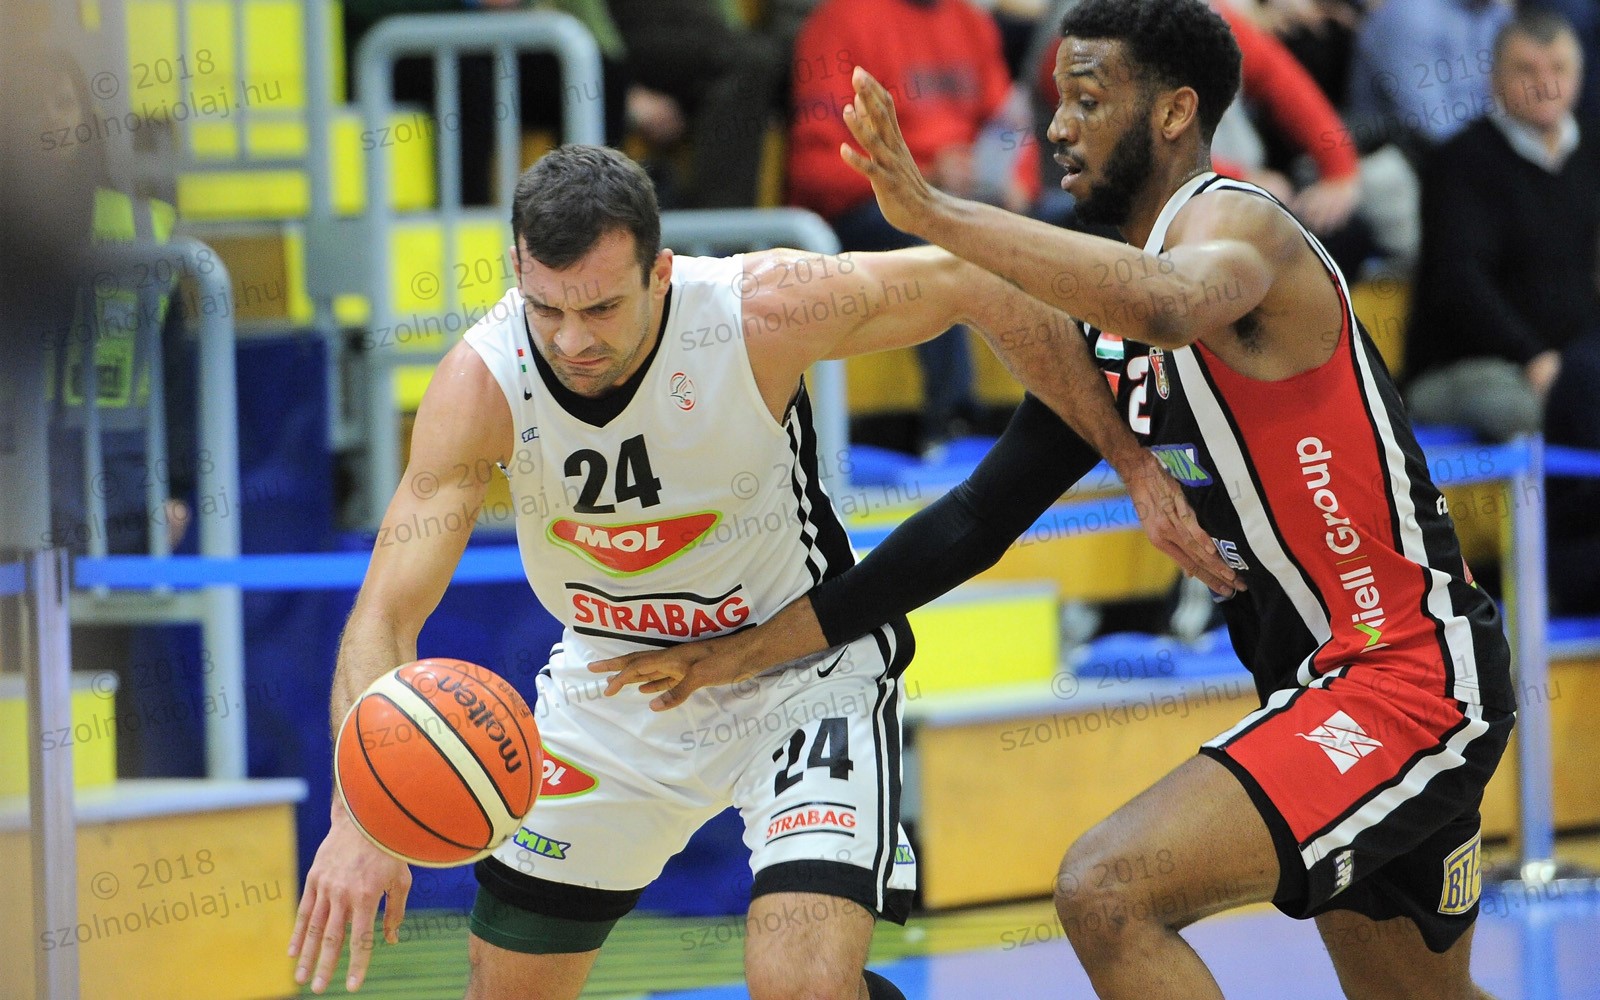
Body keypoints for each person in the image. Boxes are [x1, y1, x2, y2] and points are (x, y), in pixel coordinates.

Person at [595, 3, 1517, 997]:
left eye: (1087, 100)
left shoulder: (1239, 225)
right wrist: (745, 650)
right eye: (1056, 101)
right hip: (1310, 679)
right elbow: (972, 520)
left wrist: (937, 215)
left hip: (1404, 672)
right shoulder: (1106, 329)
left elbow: (1168, 300)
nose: (1058, 128)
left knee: (1107, 890)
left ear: (1173, 113)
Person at [286, 143, 1232, 999]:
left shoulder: (756, 310)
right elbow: (384, 619)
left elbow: (971, 277)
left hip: (798, 670)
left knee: (798, 983)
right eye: (548, 308)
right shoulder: (483, 382)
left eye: (602, 307)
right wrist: (361, 813)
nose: (572, 340)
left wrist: (1132, 462)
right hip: (613, 684)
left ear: (660, 273)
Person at [1405, 9, 1600, 613]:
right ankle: (1547, 578)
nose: (1545, 83)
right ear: (1494, 79)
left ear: (1581, 75)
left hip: (1569, 361)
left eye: (1558, 68)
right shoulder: (1458, 162)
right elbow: (1459, 285)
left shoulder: (1591, 155)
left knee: (1579, 396)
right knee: (1533, 410)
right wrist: (1533, 356)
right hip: (1462, 367)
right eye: (1526, 70)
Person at [787, 0, 1023, 455]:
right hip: (868, 209)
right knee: (934, 237)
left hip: (969, 201)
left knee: (1077, 220)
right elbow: (816, 170)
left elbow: (1009, 126)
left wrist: (1017, 181)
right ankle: (954, 425)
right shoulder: (838, 24)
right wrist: (921, 177)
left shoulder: (970, 22)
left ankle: (1108, 407)